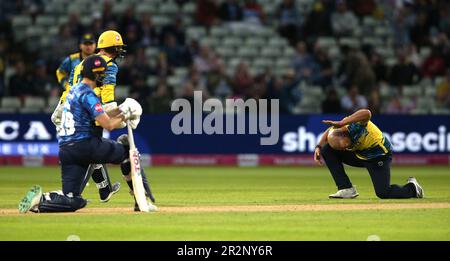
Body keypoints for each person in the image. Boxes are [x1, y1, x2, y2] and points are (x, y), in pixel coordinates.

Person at [18, 55, 153, 213]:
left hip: (67, 151)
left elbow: (100, 113)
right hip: (86, 146)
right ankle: (141, 199)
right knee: (126, 152)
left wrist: (122, 109)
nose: (104, 77)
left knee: (73, 200)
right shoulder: (88, 95)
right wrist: (126, 115)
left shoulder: (73, 91)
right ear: (96, 75)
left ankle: (39, 201)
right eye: (103, 74)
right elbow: (108, 125)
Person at [313, 109, 424, 199]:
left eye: (345, 146)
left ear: (345, 134)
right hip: (360, 154)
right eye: (343, 148)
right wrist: (318, 147)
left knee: (383, 193)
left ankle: (413, 188)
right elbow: (330, 131)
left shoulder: (354, 126)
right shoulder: (340, 132)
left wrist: (343, 122)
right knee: (326, 150)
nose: (344, 149)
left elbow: (367, 113)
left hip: (378, 157)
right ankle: (346, 189)